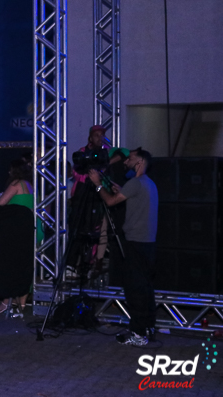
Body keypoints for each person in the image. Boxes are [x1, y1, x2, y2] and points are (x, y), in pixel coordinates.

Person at [89, 148, 158, 346]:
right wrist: (122, 190)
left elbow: (110, 202)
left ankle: (138, 334)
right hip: (148, 244)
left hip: (136, 243)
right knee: (145, 288)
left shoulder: (136, 182)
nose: (126, 161)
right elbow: (134, 200)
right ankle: (147, 329)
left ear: (140, 161)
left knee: (135, 289)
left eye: (131, 158)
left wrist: (96, 185)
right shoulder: (148, 184)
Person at [0, 159, 41, 315]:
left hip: (20, 230)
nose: (8, 173)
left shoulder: (16, 184)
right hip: (35, 229)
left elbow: (0, 203)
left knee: (11, 265)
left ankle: (6, 302)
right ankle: (22, 305)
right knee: (27, 266)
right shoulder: (33, 186)